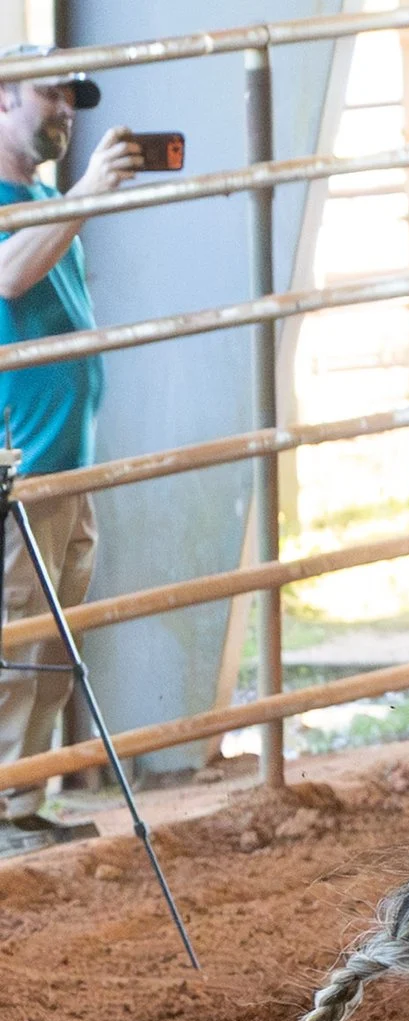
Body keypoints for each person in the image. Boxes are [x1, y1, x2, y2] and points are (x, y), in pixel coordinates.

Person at [0, 43, 134, 839]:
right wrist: (84, 196)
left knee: (49, 638)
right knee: (17, 628)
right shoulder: (40, 204)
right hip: (21, 458)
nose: (67, 111)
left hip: (66, 458)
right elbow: (9, 276)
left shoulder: (44, 197)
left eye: (74, 98)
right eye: (52, 94)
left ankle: (23, 798)